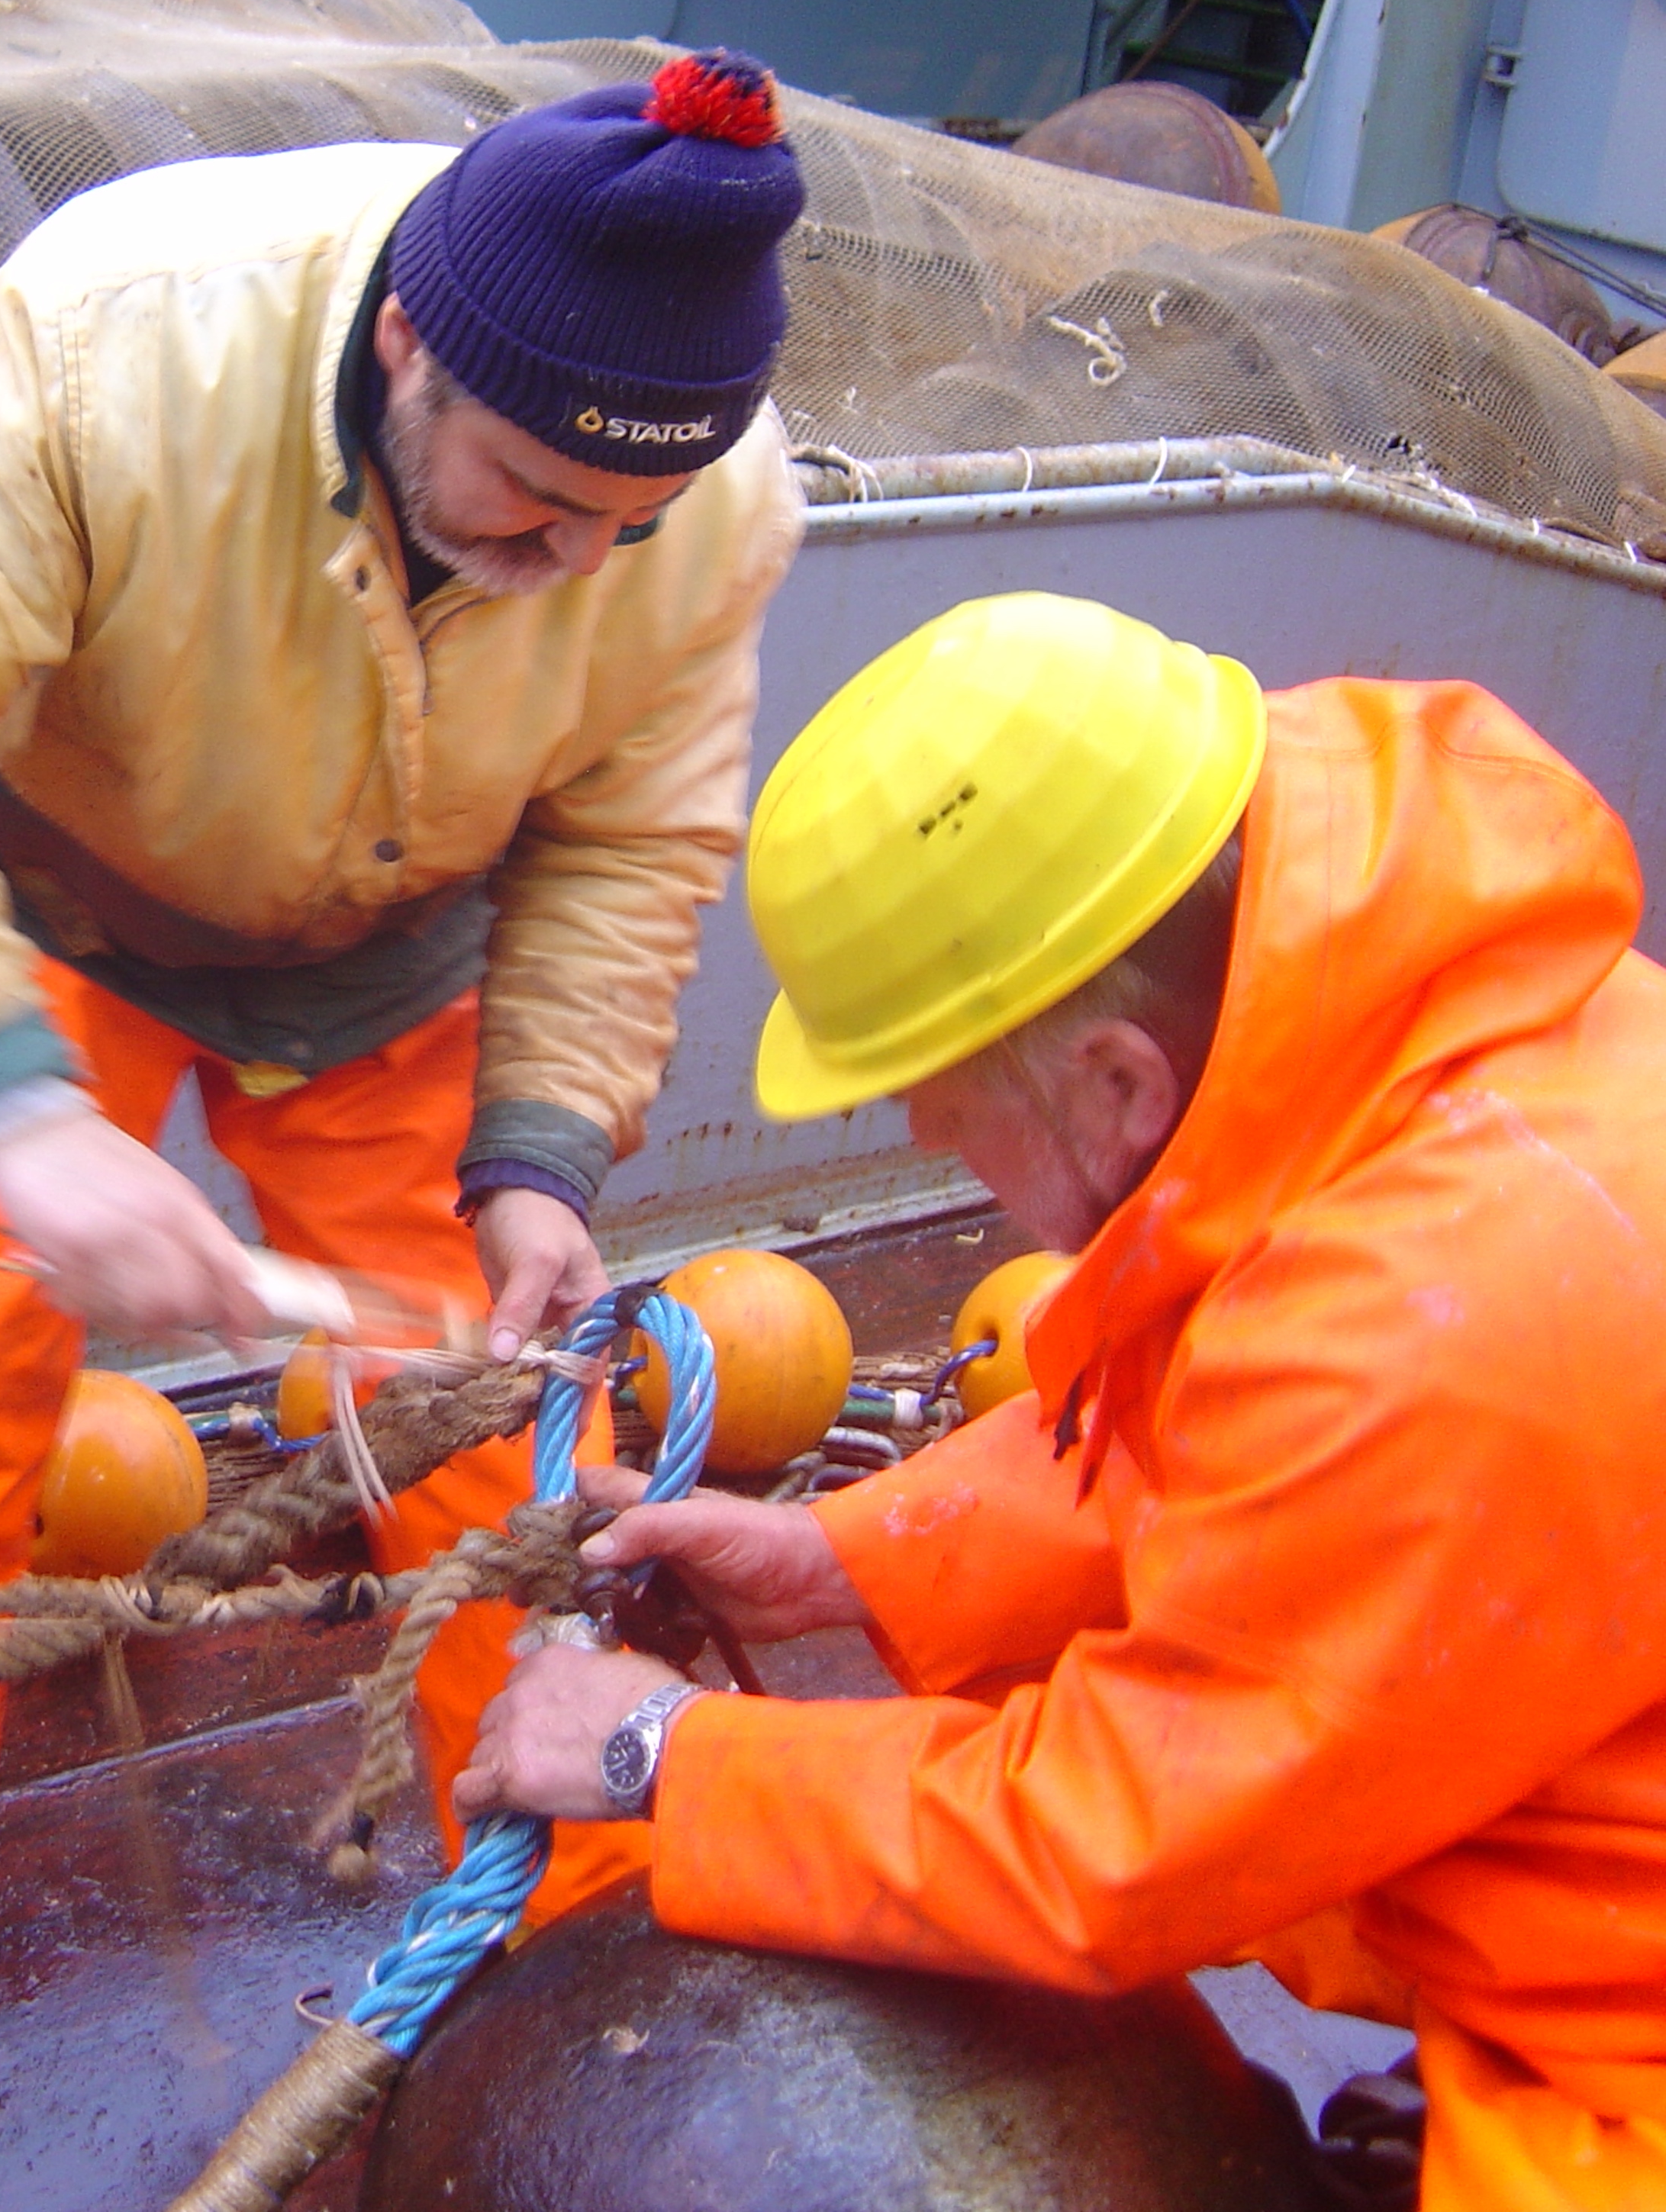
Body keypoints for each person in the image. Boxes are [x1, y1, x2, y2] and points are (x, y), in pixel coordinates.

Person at [0, 54, 807, 2165]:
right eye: (526, 500)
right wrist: (13, 1111)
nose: (574, 563)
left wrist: (544, 1153)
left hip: (396, 955)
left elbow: (633, 834)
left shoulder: (713, 507)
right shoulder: (124, 332)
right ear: (410, 339)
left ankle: (559, 1891)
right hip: (51, 923)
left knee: (482, 1435)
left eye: (627, 526)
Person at [459, 591, 1666, 2210]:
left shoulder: (1433, 1320)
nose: (958, 1175)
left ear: (1111, 1082)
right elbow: (1264, 1463)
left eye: (953, 1132)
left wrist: (669, 1757)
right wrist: (845, 1561)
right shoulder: (1390, 1011)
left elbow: (1117, 1840)